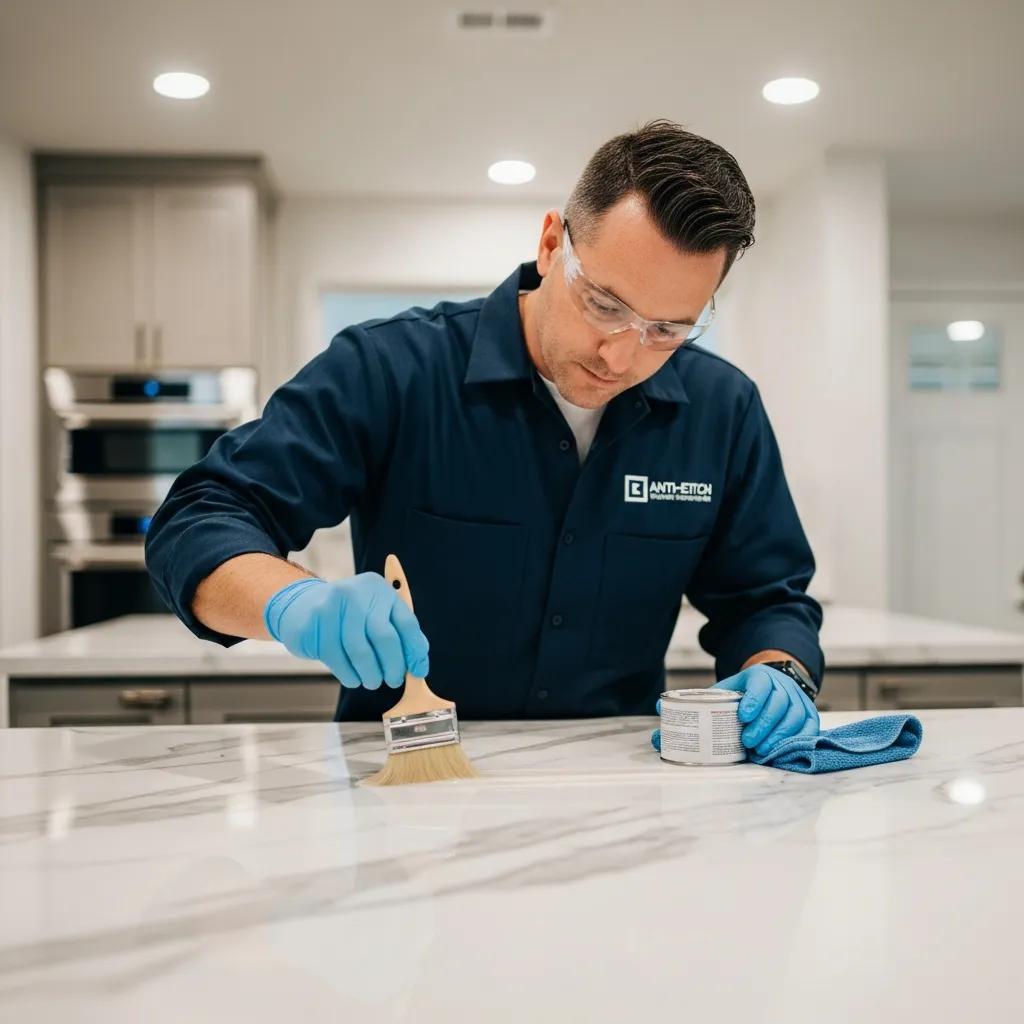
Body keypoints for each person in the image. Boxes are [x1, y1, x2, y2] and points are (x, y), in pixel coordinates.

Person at [146, 119, 824, 757]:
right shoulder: (392, 370)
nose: (621, 356)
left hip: (619, 790)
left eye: (667, 329)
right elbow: (200, 520)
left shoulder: (722, 409)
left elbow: (765, 599)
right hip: (401, 781)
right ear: (552, 243)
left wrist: (779, 673)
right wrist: (293, 602)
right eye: (604, 305)